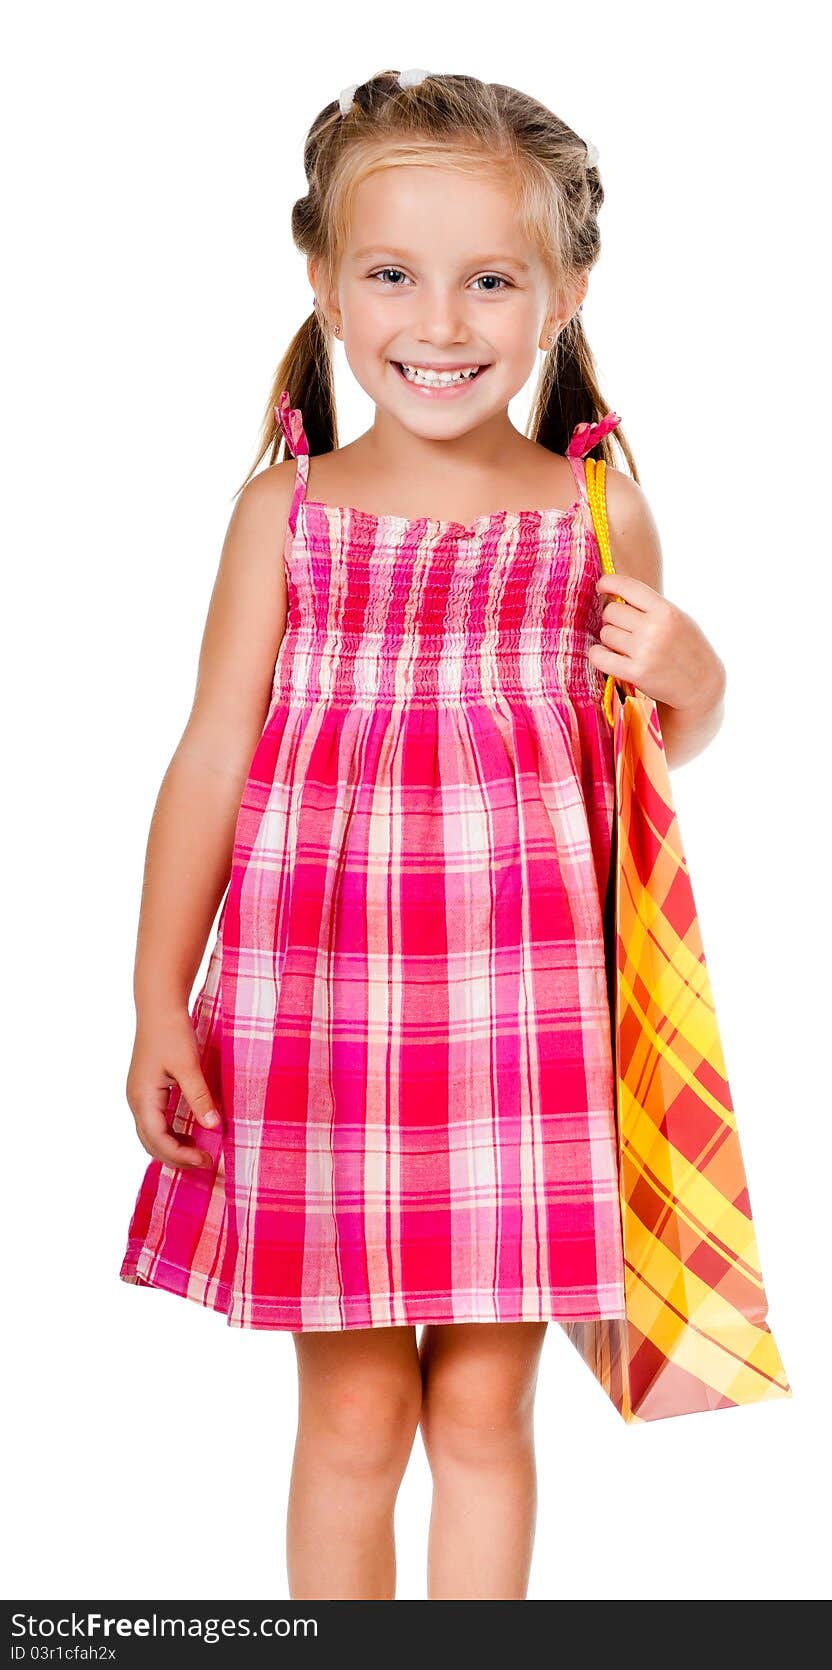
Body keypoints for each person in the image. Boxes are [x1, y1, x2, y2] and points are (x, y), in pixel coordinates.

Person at [119, 69, 726, 1601]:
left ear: (562, 293)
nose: (439, 322)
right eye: (391, 272)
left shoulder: (598, 515)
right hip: (328, 1018)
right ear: (324, 280)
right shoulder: (287, 515)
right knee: (353, 1405)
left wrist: (697, 678)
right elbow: (209, 761)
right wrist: (153, 1004)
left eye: (490, 280)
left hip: (524, 1025)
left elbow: (652, 756)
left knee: (482, 1406)